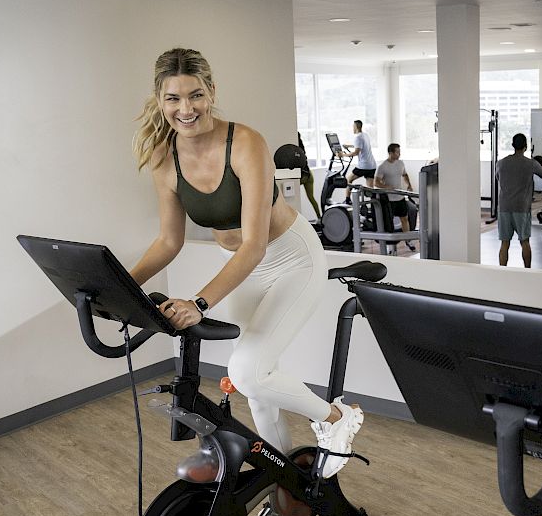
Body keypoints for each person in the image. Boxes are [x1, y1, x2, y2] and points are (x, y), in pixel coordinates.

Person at [129, 47, 363, 480]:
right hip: (239, 263)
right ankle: (288, 479)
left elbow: (254, 244)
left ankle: (336, 418)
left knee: (247, 371)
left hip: (289, 256)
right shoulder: (165, 158)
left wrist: (199, 302)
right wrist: (121, 286)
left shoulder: (246, 143)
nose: (186, 109)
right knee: (257, 384)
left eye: (195, 95)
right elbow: (168, 241)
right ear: (159, 100)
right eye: (173, 99)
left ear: (212, 92)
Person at [496, 133, 542, 267]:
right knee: (524, 242)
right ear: (526, 146)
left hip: (504, 207)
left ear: (512, 145)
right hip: (521, 208)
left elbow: (499, 178)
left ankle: (501, 271)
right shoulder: (530, 163)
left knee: (504, 243)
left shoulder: (501, 163)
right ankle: (527, 270)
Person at [372, 143, 417, 250]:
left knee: (404, 219)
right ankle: (390, 245)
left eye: (399, 151)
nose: (399, 154)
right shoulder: (382, 166)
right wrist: (386, 186)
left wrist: (409, 184)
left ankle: (408, 241)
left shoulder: (401, 163)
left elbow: (405, 174)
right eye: (397, 152)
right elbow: (376, 182)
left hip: (400, 197)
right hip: (389, 199)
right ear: (390, 153)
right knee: (389, 222)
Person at [343, 119, 377, 186]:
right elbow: (361, 146)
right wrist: (349, 146)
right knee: (370, 188)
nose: (352, 128)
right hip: (372, 166)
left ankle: (347, 197)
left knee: (348, 180)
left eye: (353, 126)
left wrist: (343, 155)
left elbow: (356, 152)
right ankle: (373, 196)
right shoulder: (365, 135)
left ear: (356, 126)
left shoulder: (358, 137)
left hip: (363, 166)